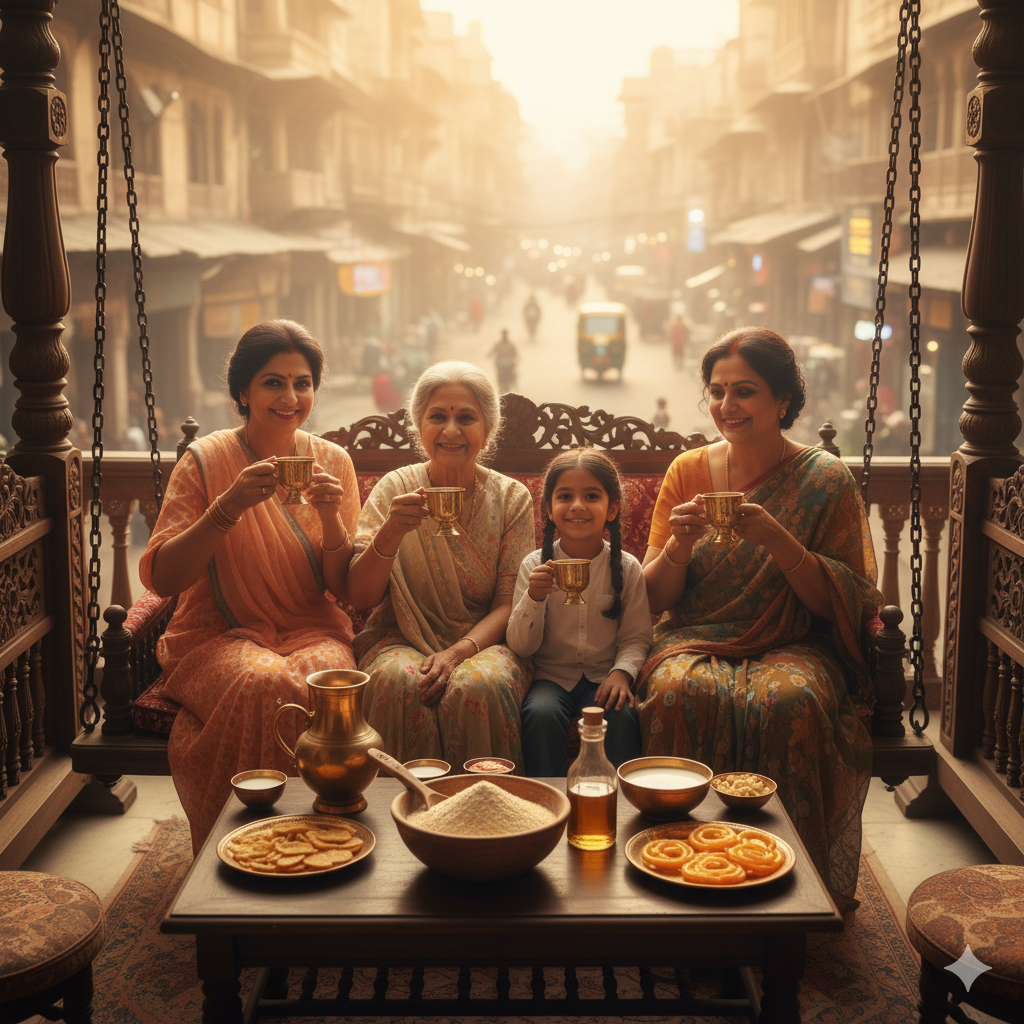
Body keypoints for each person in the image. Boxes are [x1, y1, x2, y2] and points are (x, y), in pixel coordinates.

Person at [637, 326, 881, 912]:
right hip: (693, 637)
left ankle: (789, 895)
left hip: (794, 641)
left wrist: (777, 538)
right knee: (674, 691)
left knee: (789, 701)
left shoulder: (825, 480)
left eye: (744, 391)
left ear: (783, 401)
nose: (727, 406)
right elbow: (650, 598)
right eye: (717, 391)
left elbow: (844, 602)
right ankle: (679, 873)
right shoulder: (687, 471)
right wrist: (678, 546)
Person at [139, 319, 360, 852]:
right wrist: (228, 506)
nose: (290, 397)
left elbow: (343, 591)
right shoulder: (206, 462)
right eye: (273, 382)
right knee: (261, 681)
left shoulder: (332, 463)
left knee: (323, 685)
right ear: (243, 391)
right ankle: (244, 851)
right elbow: (166, 578)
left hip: (312, 630)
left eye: (302, 383)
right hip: (217, 635)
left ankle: (319, 843)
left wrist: (330, 519)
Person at [347, 360, 535, 767]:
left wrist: (456, 654)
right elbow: (361, 597)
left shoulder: (511, 498)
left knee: (479, 685)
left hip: (486, 641)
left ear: (487, 430)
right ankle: (400, 815)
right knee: (400, 682)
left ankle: (486, 814)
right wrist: (391, 532)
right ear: (419, 427)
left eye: (466, 417)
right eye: (438, 417)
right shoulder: (394, 489)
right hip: (400, 637)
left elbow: (509, 604)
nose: (451, 430)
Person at [507, 450, 650, 777]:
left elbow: (636, 636)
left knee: (623, 715)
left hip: (604, 675)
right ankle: (548, 806)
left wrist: (622, 673)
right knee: (540, 714)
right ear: (549, 508)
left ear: (612, 508)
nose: (577, 506)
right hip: (550, 678)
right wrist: (534, 597)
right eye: (565, 496)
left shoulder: (627, 568)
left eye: (591, 496)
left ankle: (622, 808)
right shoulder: (533, 566)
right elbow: (520, 646)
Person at [488, 328, 518, 393]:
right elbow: (492, 352)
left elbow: (515, 354)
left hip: (509, 365)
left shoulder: (511, 345)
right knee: (500, 378)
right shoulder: (498, 344)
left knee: (511, 377)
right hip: (500, 364)